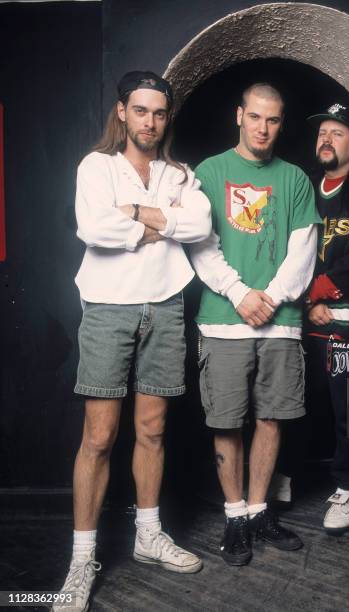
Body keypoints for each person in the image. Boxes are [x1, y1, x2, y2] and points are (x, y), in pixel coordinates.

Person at [54, 71, 210, 612]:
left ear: (167, 117)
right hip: (107, 306)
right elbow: (94, 228)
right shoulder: (96, 167)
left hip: (166, 303)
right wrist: (164, 224)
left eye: (159, 113)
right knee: (99, 436)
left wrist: (137, 216)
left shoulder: (179, 173)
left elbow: (202, 225)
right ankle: (81, 559)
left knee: (153, 428)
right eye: (140, 110)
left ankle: (148, 535)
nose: (150, 121)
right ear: (123, 112)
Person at [189, 83, 321, 566]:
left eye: (274, 120)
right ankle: (235, 516)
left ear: (281, 123)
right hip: (225, 319)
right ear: (239, 115)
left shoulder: (296, 179)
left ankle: (261, 510)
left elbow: (303, 249)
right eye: (256, 117)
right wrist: (240, 293)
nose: (263, 128)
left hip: (281, 322)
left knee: (271, 417)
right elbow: (200, 244)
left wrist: (274, 297)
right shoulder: (210, 171)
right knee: (226, 421)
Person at [274, 103, 349, 533]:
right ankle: (283, 474)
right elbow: (286, 250)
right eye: (322, 132)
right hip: (304, 318)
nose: (326, 139)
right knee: (293, 401)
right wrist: (305, 302)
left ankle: (348, 490)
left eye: (337, 133)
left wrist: (315, 294)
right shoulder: (303, 189)